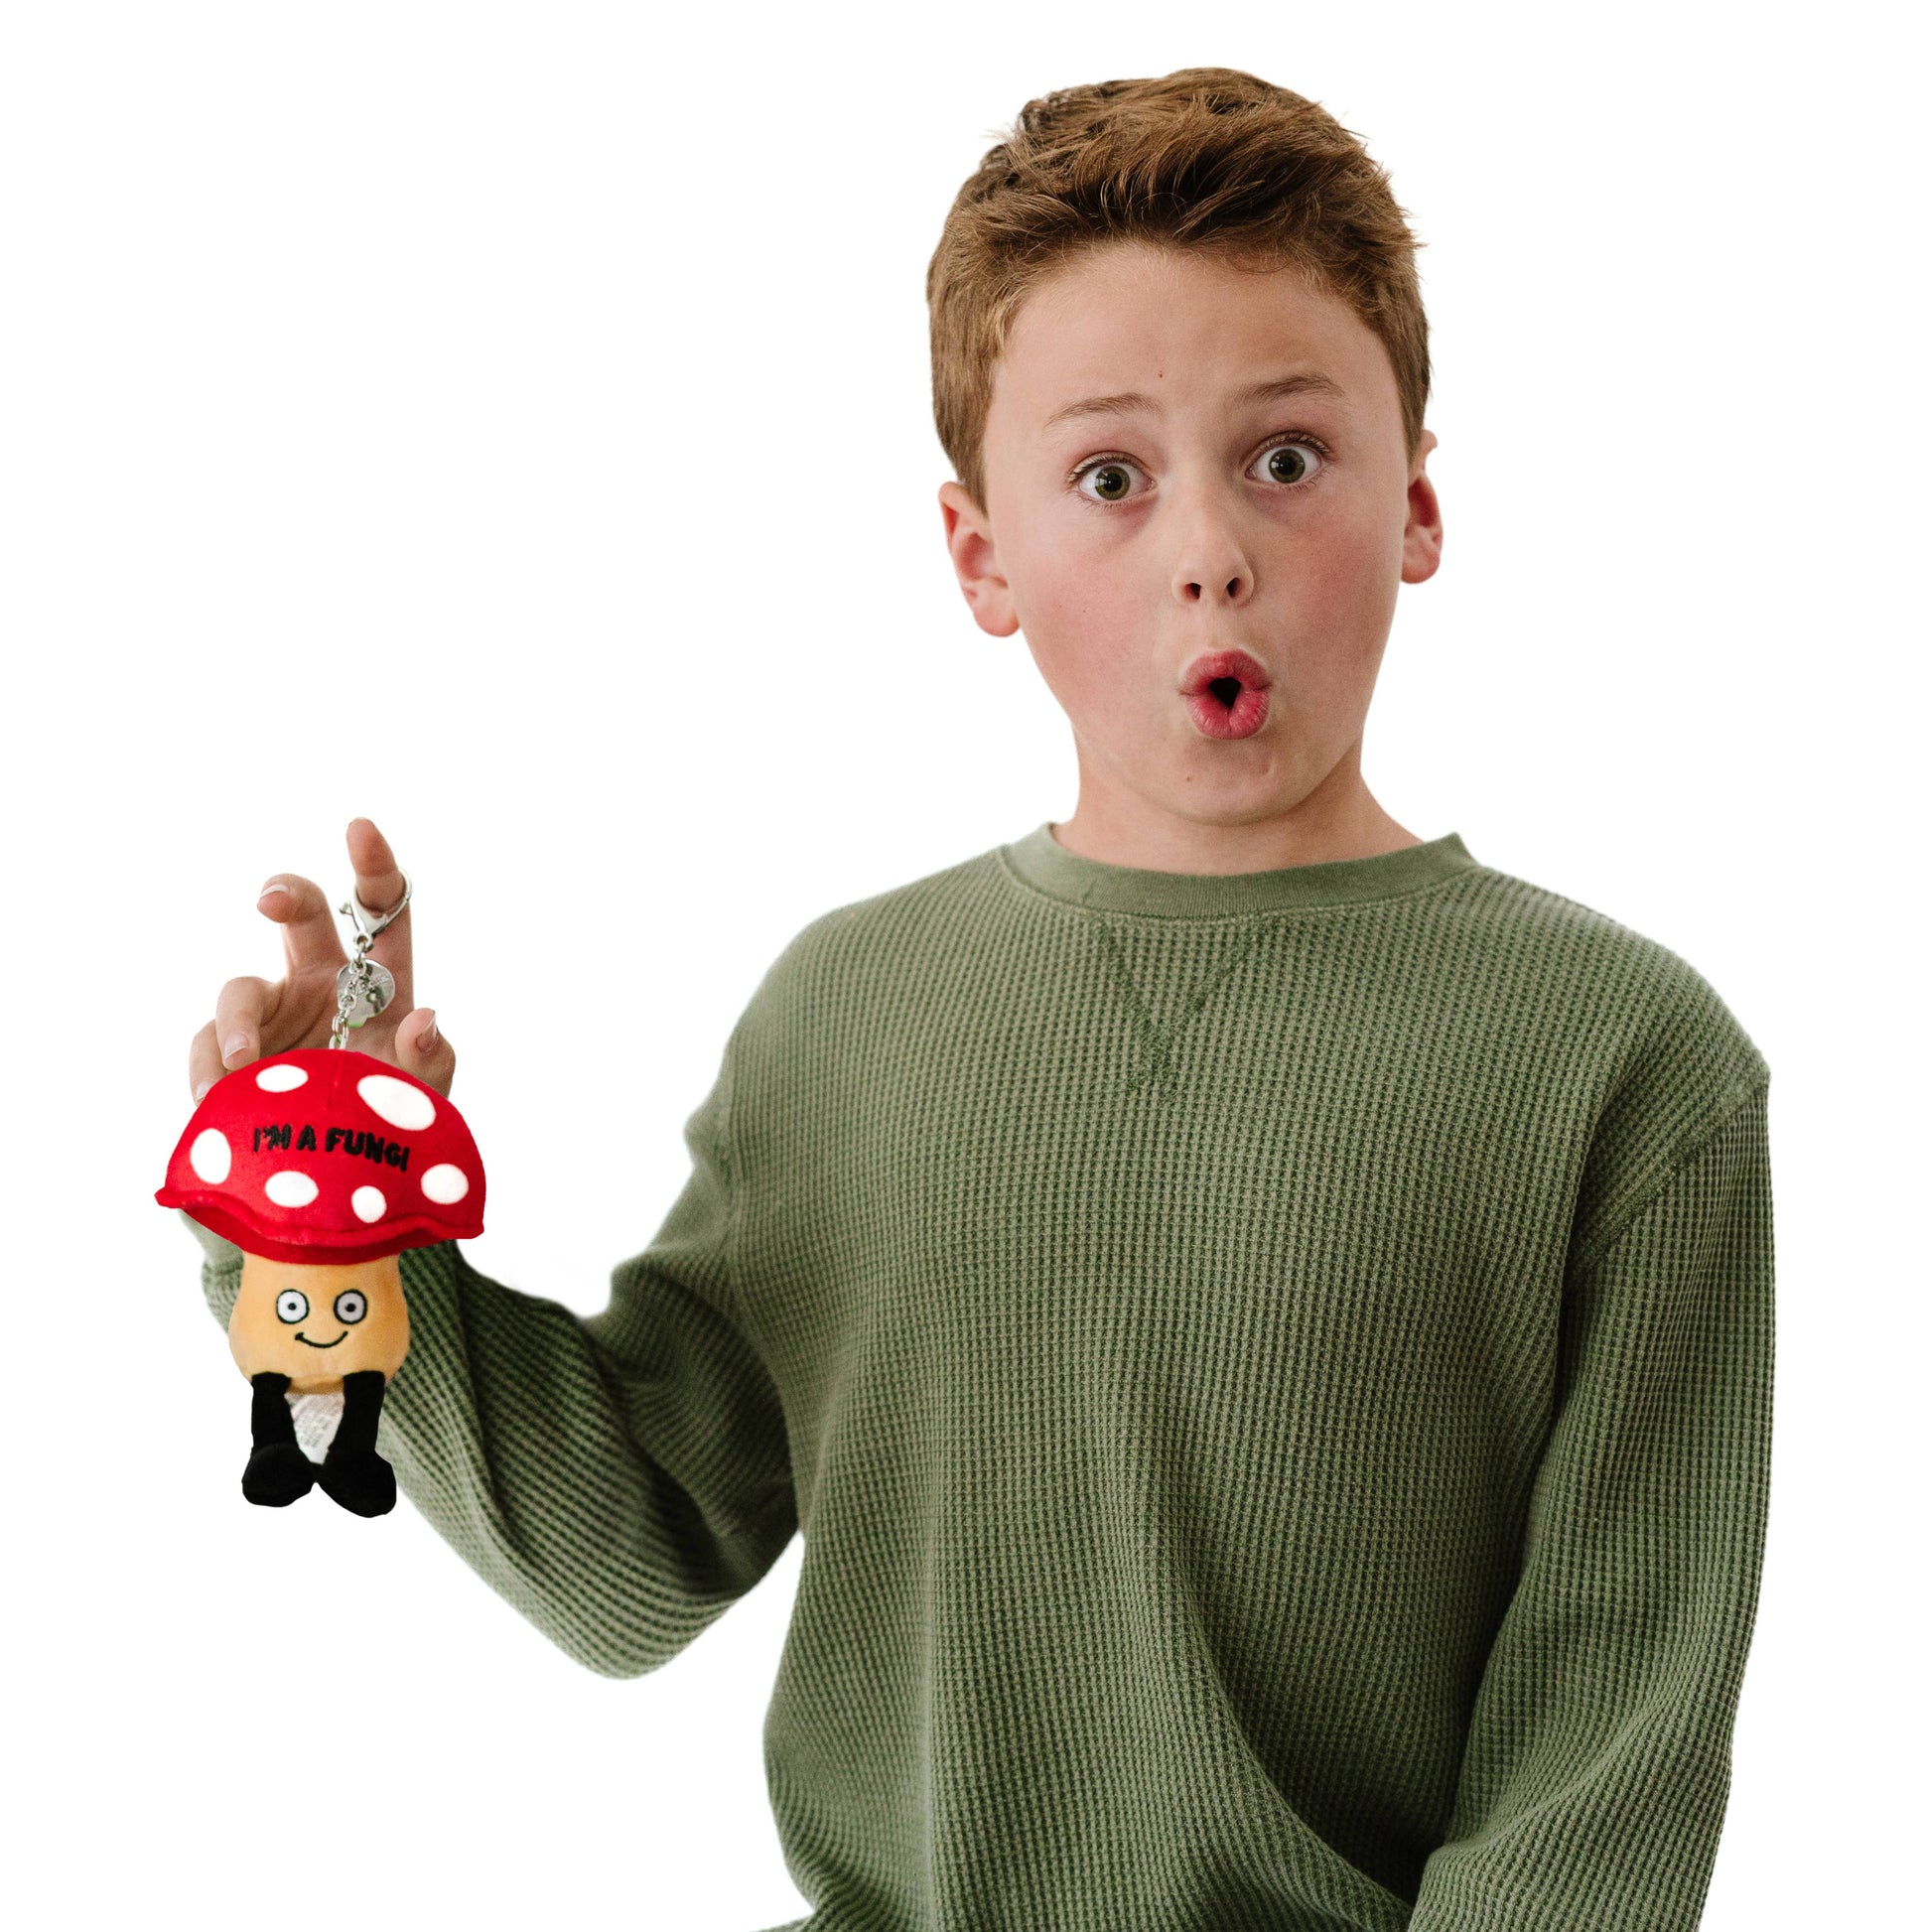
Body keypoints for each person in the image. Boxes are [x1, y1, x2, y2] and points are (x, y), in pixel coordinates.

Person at [180, 67, 1773, 1932]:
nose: (1209, 549)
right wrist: (320, 1208)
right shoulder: (847, 1017)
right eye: (1108, 477)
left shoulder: (1622, 1060)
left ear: (1414, 501)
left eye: (1285, 457)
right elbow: (633, 1555)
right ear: (980, 555)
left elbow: (1605, 1761)